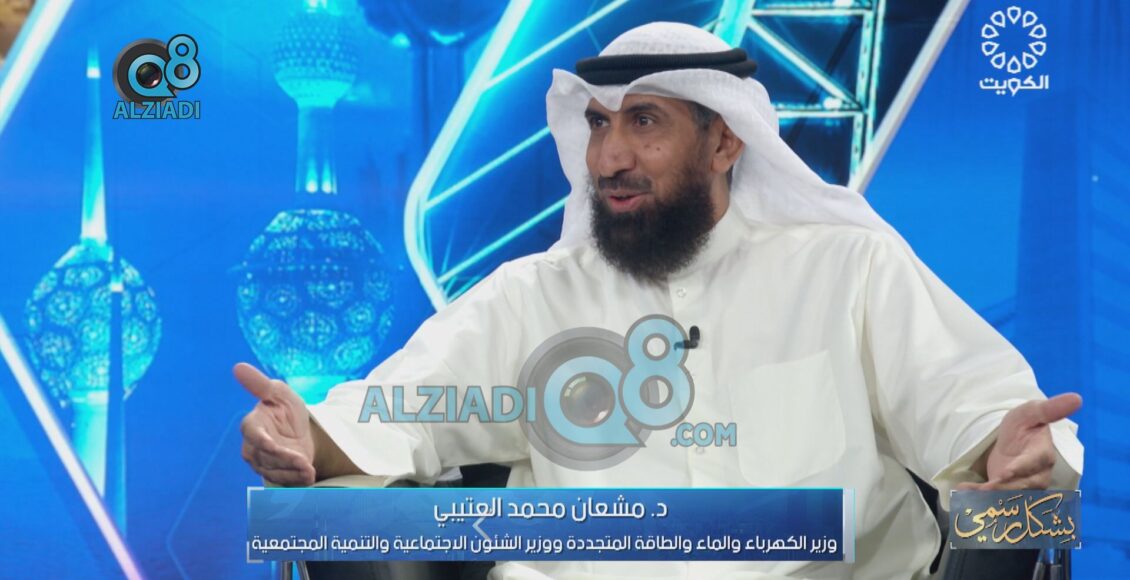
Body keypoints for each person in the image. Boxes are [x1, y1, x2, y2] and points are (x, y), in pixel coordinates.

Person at [236, 22, 1084, 579]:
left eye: (644, 122)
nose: (608, 156)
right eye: (599, 124)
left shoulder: (849, 270)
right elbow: (393, 415)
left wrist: (1013, 454)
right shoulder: (531, 299)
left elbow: (976, 412)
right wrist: (305, 436)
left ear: (724, 142)